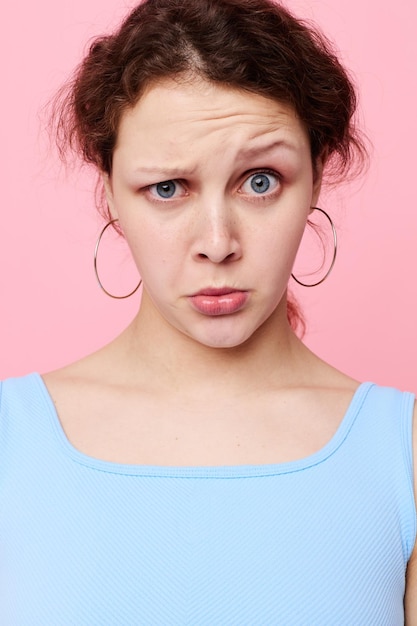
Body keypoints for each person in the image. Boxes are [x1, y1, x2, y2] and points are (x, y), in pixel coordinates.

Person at [1, 0, 415, 623]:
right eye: (167, 189)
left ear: (317, 179)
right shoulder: (11, 441)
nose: (217, 242)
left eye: (260, 181)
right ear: (108, 189)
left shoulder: (403, 452)